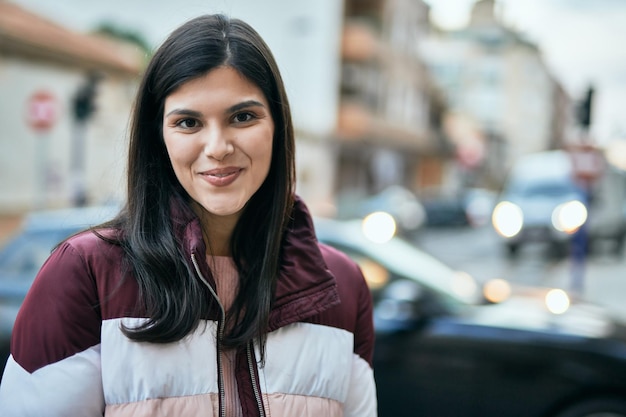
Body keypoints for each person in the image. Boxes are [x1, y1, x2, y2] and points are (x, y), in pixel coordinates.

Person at [0, 14, 376, 417]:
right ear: (158, 136)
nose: (217, 146)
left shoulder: (342, 286)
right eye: (188, 122)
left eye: (243, 117)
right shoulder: (85, 272)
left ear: (277, 127)